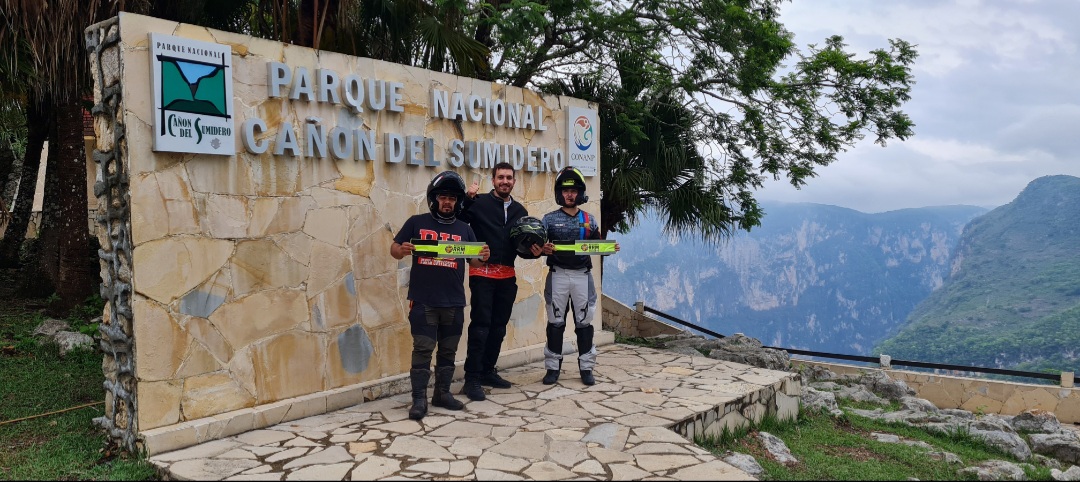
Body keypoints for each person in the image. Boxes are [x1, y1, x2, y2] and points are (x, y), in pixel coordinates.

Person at [391, 170, 490, 420]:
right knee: (423, 349)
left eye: (452, 198)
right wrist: (401, 250)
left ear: (458, 202)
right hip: (423, 300)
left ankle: (442, 394)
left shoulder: (465, 229)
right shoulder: (416, 222)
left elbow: (475, 262)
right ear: (434, 199)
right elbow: (394, 248)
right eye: (443, 197)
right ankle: (419, 399)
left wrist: (483, 257)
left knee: (448, 350)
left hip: (454, 302)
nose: (447, 202)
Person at [457, 161, 542, 401]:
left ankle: (487, 371)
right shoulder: (479, 203)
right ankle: (472, 378)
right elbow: (458, 221)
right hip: (481, 274)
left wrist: (535, 253)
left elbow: (522, 247)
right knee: (480, 327)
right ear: (493, 180)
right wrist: (467, 199)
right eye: (500, 177)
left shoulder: (520, 212)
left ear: (514, 181)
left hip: (507, 277)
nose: (505, 181)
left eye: (509, 178)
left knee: (498, 328)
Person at [539, 167, 618, 385]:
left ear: (580, 193)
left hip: (583, 276)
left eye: (574, 190)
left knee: (584, 323)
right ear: (559, 193)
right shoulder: (549, 220)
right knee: (555, 323)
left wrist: (609, 248)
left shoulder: (589, 220)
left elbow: (598, 245)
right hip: (557, 275)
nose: (570, 195)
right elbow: (536, 247)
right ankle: (552, 368)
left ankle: (586, 368)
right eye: (566, 191)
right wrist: (541, 248)